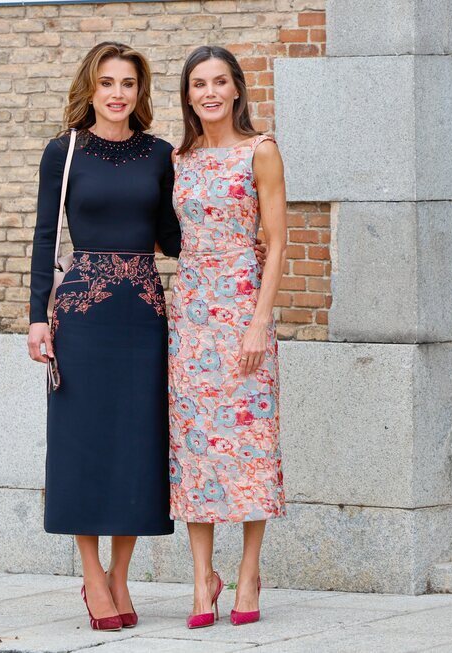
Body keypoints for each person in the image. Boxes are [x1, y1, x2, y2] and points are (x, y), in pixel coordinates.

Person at [26, 41, 179, 633]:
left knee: (137, 443)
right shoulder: (62, 152)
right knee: (83, 440)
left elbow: (172, 235)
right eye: (108, 82)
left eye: (129, 84)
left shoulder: (161, 153)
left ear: (141, 93)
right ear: (90, 87)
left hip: (143, 312)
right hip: (81, 315)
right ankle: (92, 575)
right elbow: (44, 237)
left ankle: (121, 575)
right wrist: (38, 316)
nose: (118, 93)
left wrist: (229, 239)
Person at [168, 45, 288, 629]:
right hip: (190, 314)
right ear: (187, 95)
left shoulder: (260, 151)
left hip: (243, 307)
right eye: (198, 84)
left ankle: (247, 571)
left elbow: (278, 240)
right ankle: (200, 578)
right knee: (195, 447)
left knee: (248, 443)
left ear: (237, 89)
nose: (210, 92)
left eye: (220, 82)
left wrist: (260, 321)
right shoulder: (179, 159)